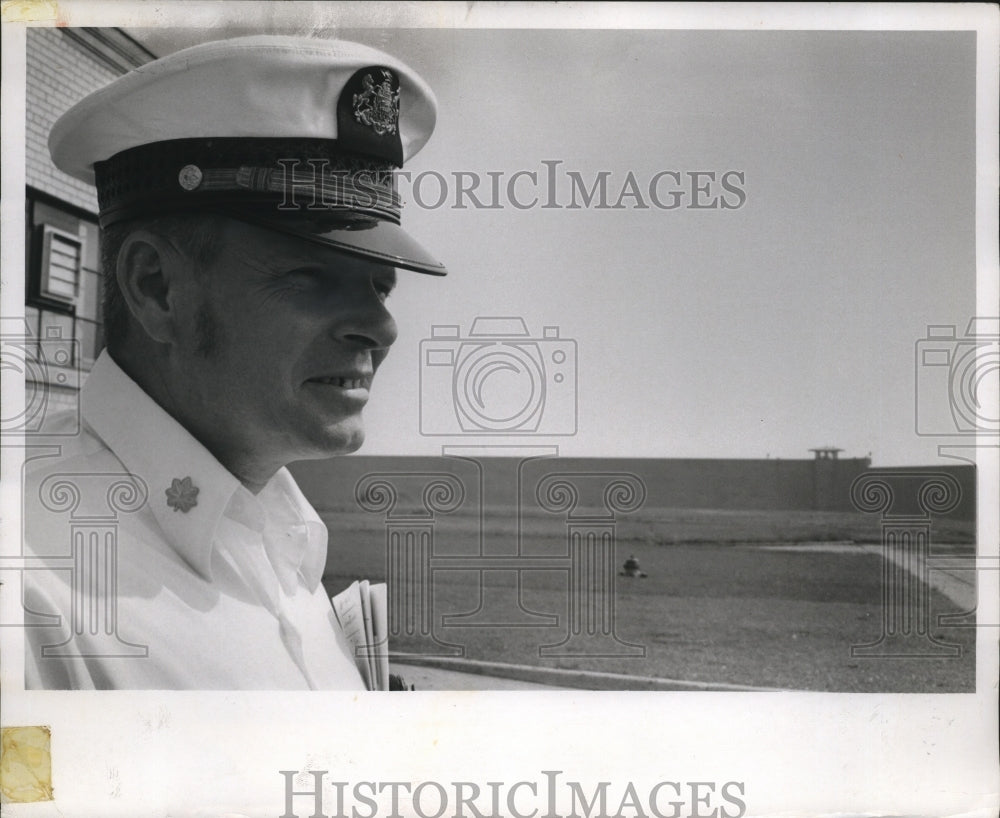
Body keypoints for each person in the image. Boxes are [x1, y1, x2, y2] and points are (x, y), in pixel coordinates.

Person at [22, 35, 446, 689]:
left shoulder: (284, 537)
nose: (380, 327)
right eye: (311, 276)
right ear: (156, 287)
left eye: (379, 286)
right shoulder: (33, 595)